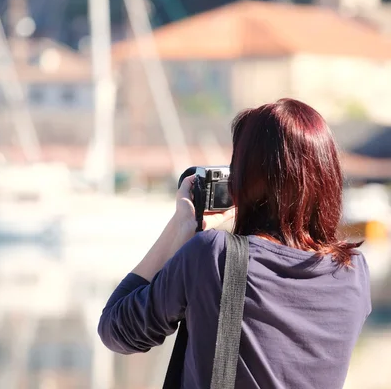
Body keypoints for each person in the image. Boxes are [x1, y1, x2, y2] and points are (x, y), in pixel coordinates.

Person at [98, 98, 372, 389]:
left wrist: (181, 227)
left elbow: (116, 329)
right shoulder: (354, 272)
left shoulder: (212, 256)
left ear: (245, 180)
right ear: (327, 177)